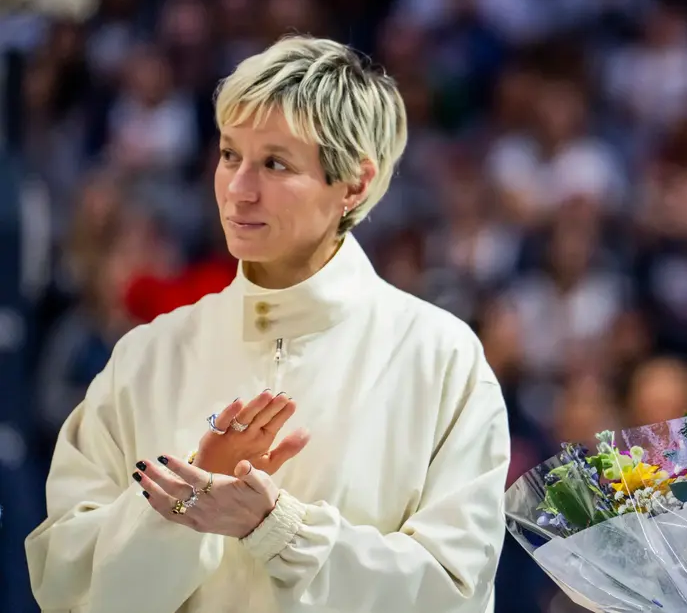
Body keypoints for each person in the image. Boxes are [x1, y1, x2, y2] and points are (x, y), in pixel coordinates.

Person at [25, 35, 511, 613]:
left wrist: (280, 529)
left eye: (274, 163)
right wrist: (183, 507)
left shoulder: (442, 360)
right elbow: (66, 586)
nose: (237, 189)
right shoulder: (147, 355)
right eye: (230, 154)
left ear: (354, 183)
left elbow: (454, 593)